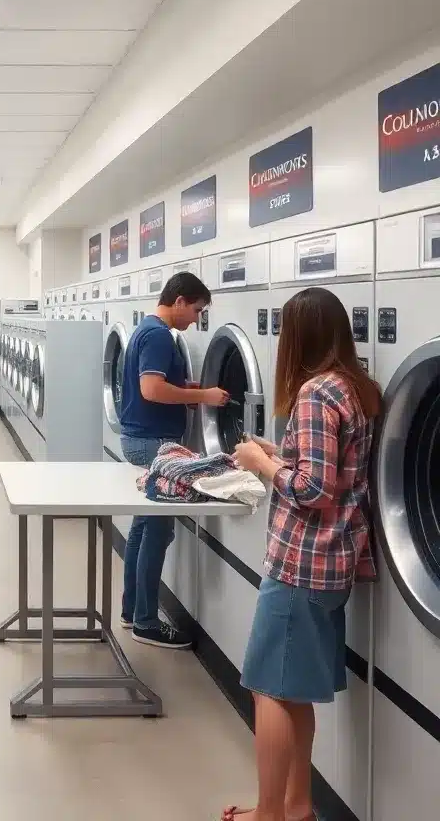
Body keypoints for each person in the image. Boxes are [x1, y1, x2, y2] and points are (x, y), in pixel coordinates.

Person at [221, 288, 380, 821]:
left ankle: (267, 815)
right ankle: (297, 807)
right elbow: (331, 469)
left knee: (267, 689)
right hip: (335, 566)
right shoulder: (359, 390)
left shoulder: (315, 393)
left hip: (298, 565)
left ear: (298, 338)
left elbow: (313, 491)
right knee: (295, 694)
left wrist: (260, 464)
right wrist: (279, 451)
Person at [119, 271, 229, 649]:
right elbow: (151, 390)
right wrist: (204, 398)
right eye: (197, 310)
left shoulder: (146, 330)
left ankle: (132, 611)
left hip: (140, 439)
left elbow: (152, 383)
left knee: (142, 526)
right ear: (179, 300)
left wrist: (187, 389)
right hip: (152, 443)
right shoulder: (159, 335)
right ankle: (146, 623)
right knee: (159, 530)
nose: (196, 319)